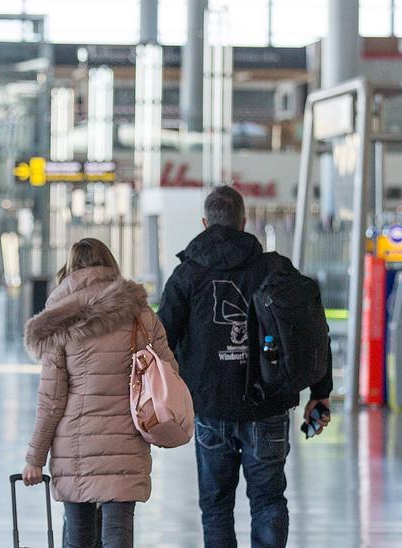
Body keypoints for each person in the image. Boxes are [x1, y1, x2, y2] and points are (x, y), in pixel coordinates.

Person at [158, 186, 332, 548]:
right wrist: (321, 393)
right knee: (268, 500)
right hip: (267, 405)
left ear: (205, 223)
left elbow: (162, 343)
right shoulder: (275, 268)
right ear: (244, 222)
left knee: (217, 507)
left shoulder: (187, 276)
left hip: (209, 408)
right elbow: (312, 331)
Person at [22, 238, 178, 548]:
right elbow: (169, 372)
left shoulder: (59, 320)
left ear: (70, 268)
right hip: (127, 439)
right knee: (118, 535)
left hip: (75, 446)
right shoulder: (140, 314)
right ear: (110, 264)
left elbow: (52, 400)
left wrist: (34, 458)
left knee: (78, 537)